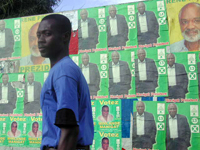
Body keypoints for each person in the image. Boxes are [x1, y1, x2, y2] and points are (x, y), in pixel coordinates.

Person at [37, 14, 93, 150]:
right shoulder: (60, 70)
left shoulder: (64, 71)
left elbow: (69, 129)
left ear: (66, 36)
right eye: (39, 35)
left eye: (47, 34)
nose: (40, 40)